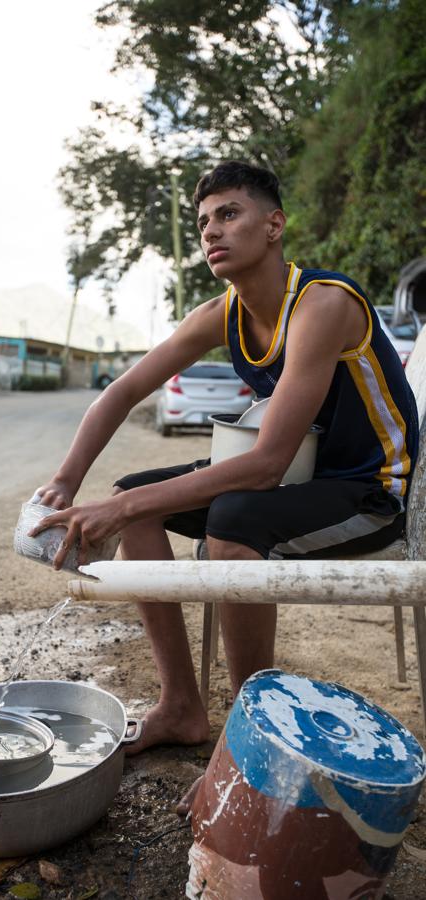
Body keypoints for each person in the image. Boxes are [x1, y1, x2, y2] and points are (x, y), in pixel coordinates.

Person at [30, 160, 419, 776]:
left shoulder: (323, 304)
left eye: (230, 214)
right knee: (136, 493)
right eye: (204, 220)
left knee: (228, 520)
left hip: (369, 494)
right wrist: (66, 481)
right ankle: (181, 706)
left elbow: (265, 464)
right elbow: (123, 391)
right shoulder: (223, 312)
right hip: (302, 477)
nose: (212, 231)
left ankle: (250, 740)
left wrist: (122, 509)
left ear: (273, 226)